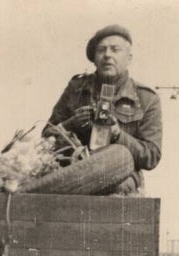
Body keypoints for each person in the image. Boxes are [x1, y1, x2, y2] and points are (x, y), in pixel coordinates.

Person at [44, 24, 162, 193]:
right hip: (74, 173)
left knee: (115, 190)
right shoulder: (76, 88)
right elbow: (47, 136)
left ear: (129, 57)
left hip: (121, 176)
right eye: (101, 50)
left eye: (115, 50)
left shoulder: (146, 98)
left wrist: (117, 134)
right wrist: (72, 123)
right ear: (94, 58)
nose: (107, 55)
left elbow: (151, 157)